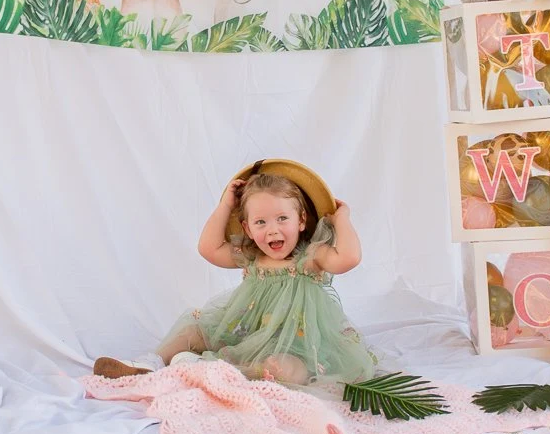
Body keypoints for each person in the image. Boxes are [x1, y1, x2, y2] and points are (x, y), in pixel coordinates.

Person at [93, 158, 379, 387]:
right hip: (244, 332)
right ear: (247, 229)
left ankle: (231, 374)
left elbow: (350, 257)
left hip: (295, 343)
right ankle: (148, 364)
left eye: (282, 218)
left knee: (288, 368)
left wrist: (343, 219)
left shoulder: (310, 258)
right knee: (194, 330)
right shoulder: (252, 256)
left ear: (302, 220)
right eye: (261, 222)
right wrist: (226, 205)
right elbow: (208, 248)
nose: (273, 229)